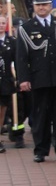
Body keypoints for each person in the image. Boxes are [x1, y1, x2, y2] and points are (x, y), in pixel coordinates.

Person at [15, 0, 56, 162]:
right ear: (34, 7)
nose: (42, 7)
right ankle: (40, 150)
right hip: (39, 79)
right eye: (38, 5)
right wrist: (23, 79)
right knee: (40, 116)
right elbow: (21, 57)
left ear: (51, 6)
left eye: (45, 4)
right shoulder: (26, 28)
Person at [0, 15, 17, 152]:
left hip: (5, 80)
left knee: (2, 110)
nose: (1, 25)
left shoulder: (11, 41)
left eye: (3, 23)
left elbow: (16, 60)